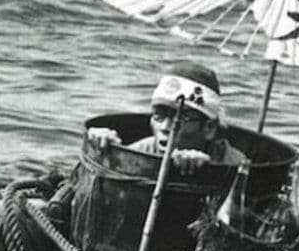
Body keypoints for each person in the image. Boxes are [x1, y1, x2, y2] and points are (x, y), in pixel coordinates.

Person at [87, 63, 248, 173]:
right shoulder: (141, 152)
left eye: (180, 119)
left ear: (209, 128)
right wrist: (101, 149)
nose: (165, 127)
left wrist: (206, 170)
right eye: (159, 115)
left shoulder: (232, 162)